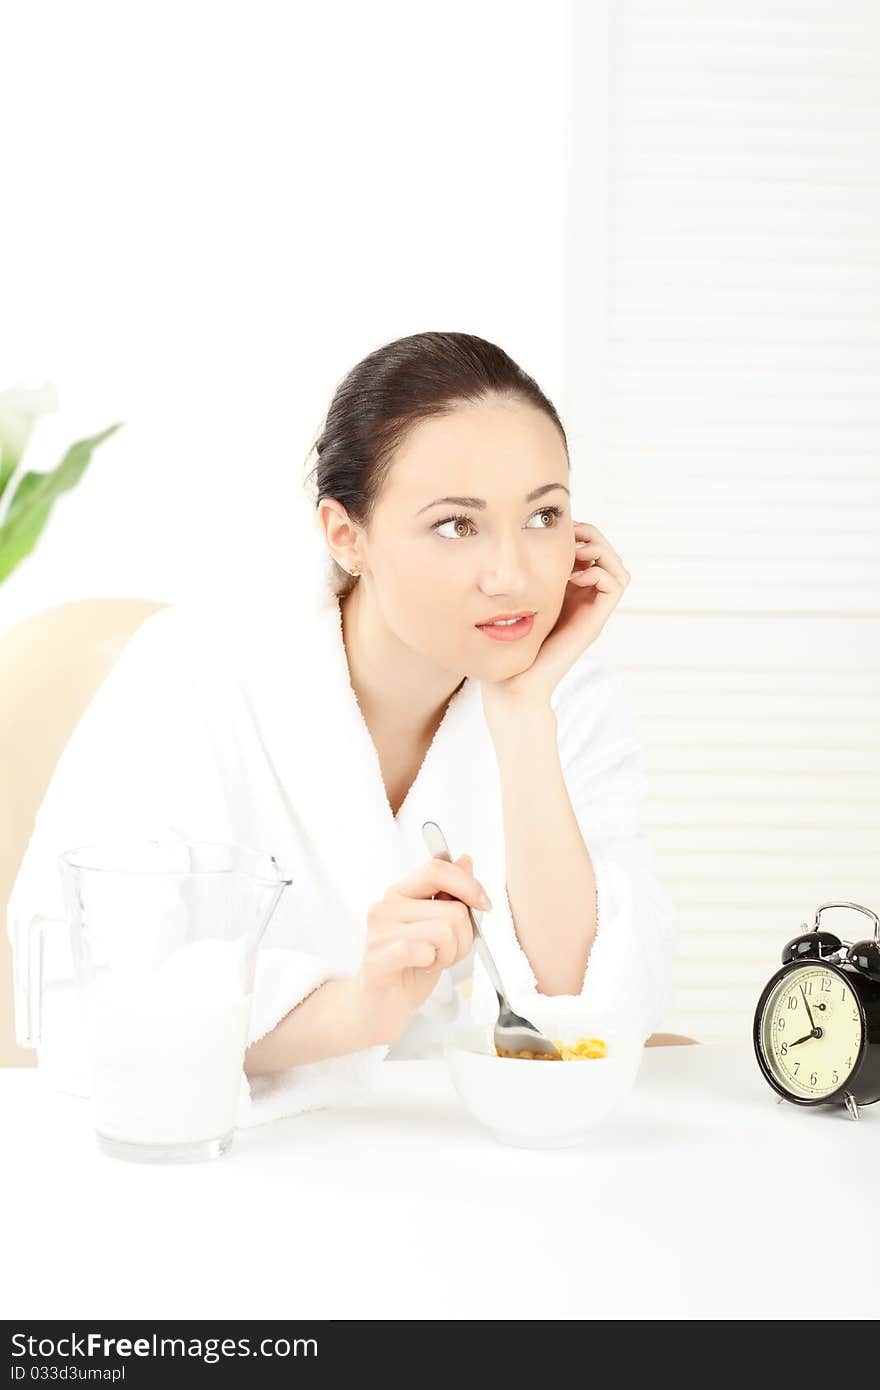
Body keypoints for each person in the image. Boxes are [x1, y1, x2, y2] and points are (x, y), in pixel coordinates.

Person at [7, 331, 679, 1130]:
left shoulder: (566, 690)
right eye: (457, 526)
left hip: (473, 1141)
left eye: (544, 515)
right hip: (252, 1149)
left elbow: (588, 1006)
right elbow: (102, 1010)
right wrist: (359, 1008)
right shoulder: (194, 671)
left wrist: (522, 711)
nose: (514, 573)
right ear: (345, 535)